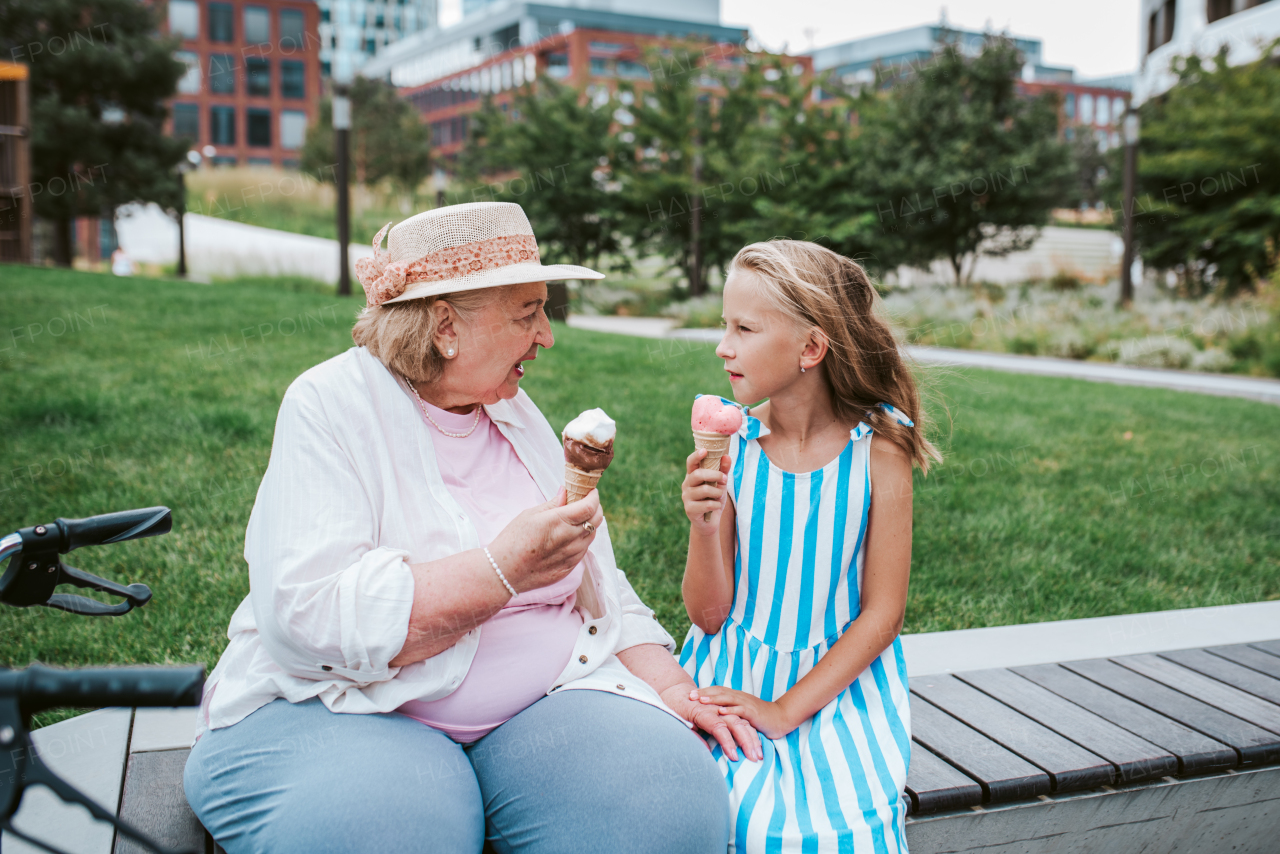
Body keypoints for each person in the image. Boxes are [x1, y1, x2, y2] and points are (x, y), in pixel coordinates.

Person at [183, 202, 759, 854]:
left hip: (540, 709)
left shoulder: (513, 413)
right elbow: (305, 615)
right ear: (446, 327)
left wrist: (673, 687)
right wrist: (501, 570)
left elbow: (604, 588)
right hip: (349, 710)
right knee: (393, 832)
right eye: (527, 313)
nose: (546, 336)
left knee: (671, 807)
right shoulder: (329, 406)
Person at [677, 240, 942, 853]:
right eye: (725, 326)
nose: (723, 346)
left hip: (838, 683)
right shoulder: (735, 446)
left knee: (832, 824)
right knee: (720, 808)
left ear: (811, 348)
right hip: (731, 668)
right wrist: (703, 522)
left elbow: (883, 613)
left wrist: (782, 712)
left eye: (743, 328)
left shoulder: (879, 448)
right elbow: (708, 615)